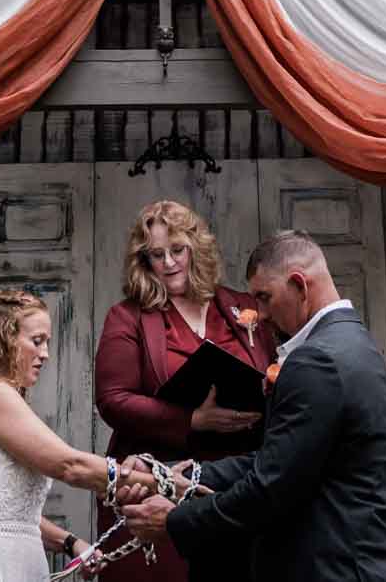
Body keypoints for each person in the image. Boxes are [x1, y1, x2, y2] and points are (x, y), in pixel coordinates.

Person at [116, 231, 386, 582]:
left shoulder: (316, 360)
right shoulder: (354, 342)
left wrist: (173, 521)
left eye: (265, 298)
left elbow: (270, 488)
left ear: (300, 284)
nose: (262, 314)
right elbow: (279, 460)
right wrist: (172, 473)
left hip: (336, 567)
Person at [92, 200, 275, 582]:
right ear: (144, 260)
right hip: (160, 480)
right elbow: (113, 400)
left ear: (196, 249)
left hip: (234, 487)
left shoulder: (242, 307)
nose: (170, 263)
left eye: (178, 251)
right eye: (157, 255)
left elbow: (273, 375)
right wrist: (193, 419)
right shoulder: (127, 316)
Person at [0, 288, 130, 580]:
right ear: (3, 339)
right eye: (37, 341)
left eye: (47, 342)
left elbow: (6, 516)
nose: (45, 354)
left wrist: (70, 543)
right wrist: (161, 481)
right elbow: (69, 466)